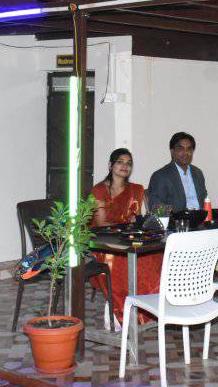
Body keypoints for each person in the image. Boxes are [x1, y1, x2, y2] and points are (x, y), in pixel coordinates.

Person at [88, 149, 161, 326]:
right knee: (123, 261)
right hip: (104, 243)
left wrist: (135, 225)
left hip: (128, 238)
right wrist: (127, 225)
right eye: (120, 162)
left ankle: (147, 307)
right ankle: (119, 308)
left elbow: (136, 219)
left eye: (129, 163)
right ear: (110, 165)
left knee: (154, 255)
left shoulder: (135, 189)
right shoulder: (99, 190)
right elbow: (101, 223)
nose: (125, 166)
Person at [146, 132, 208, 214]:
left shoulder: (198, 173)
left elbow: (205, 201)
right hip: (176, 220)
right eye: (181, 149)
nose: (185, 153)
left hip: (200, 219)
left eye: (189, 149)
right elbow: (156, 206)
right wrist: (176, 218)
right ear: (172, 151)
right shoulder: (160, 176)